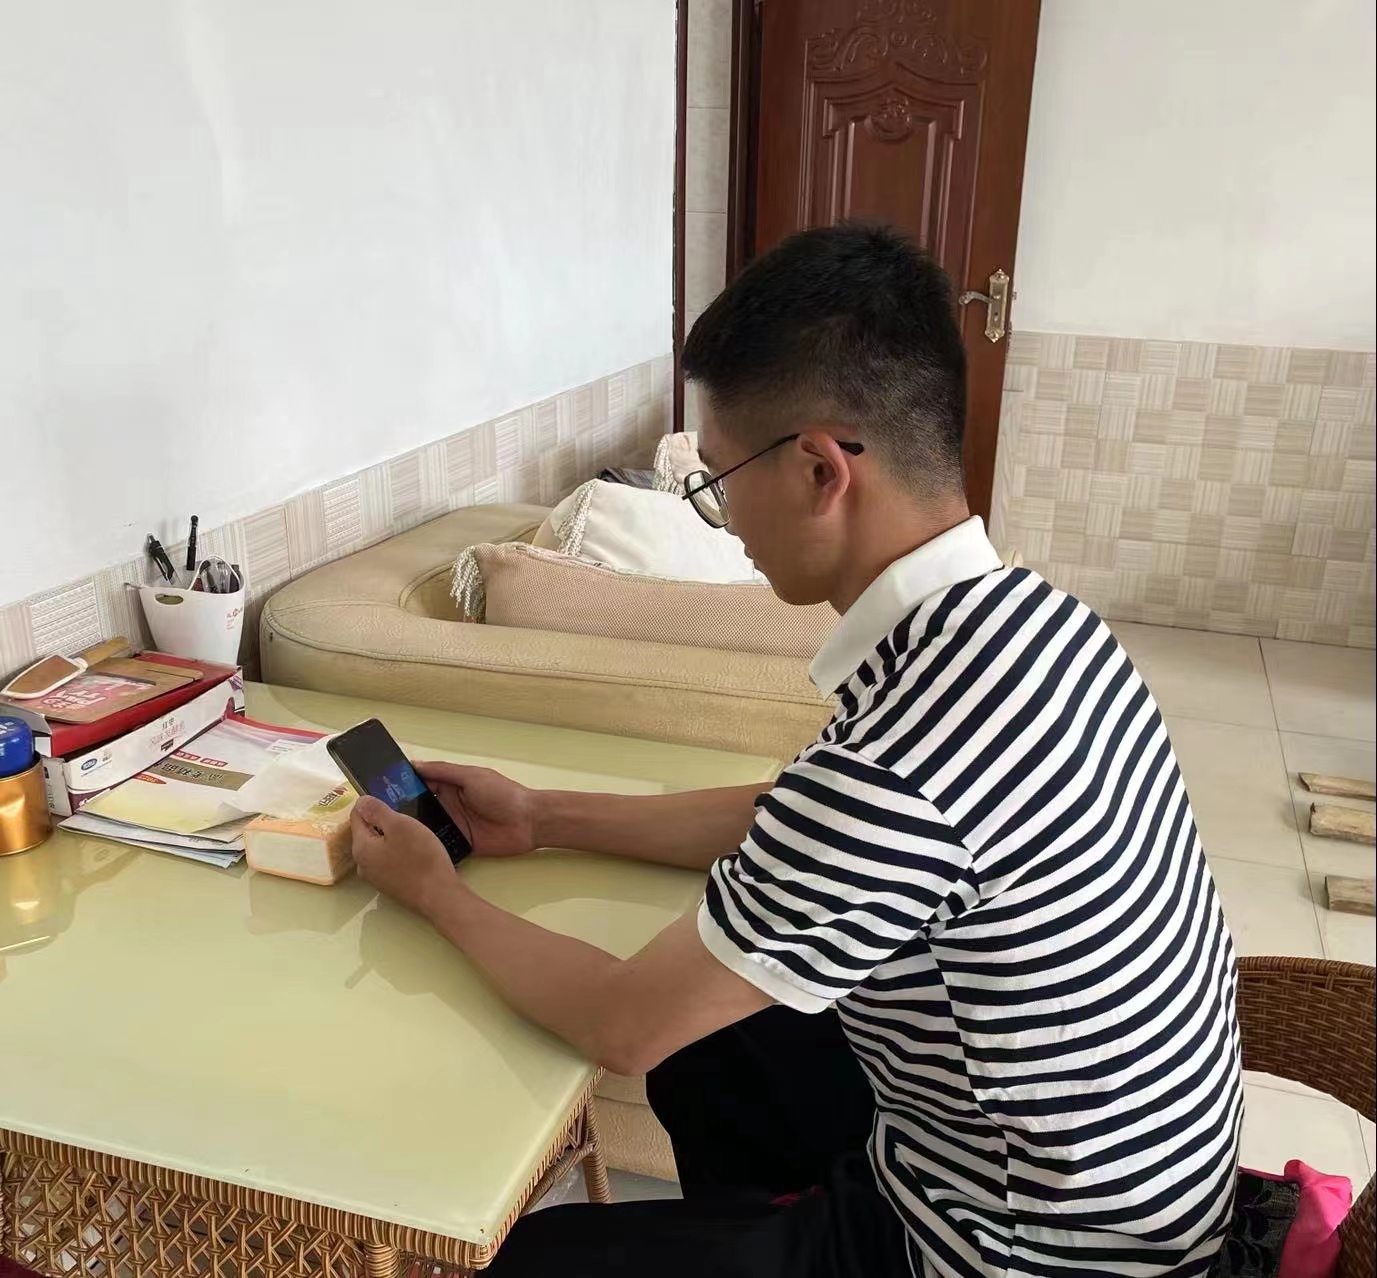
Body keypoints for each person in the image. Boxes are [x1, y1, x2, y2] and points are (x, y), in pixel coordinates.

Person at [350, 224, 1242, 1278]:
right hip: (1117, 1187)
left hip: (1021, 1254)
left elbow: (622, 1024)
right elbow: (801, 817)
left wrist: (435, 892)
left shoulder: (903, 760)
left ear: (819, 469)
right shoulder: (1034, 621)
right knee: (717, 1050)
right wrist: (544, 815)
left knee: (535, 1255)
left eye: (718, 479)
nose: (722, 518)